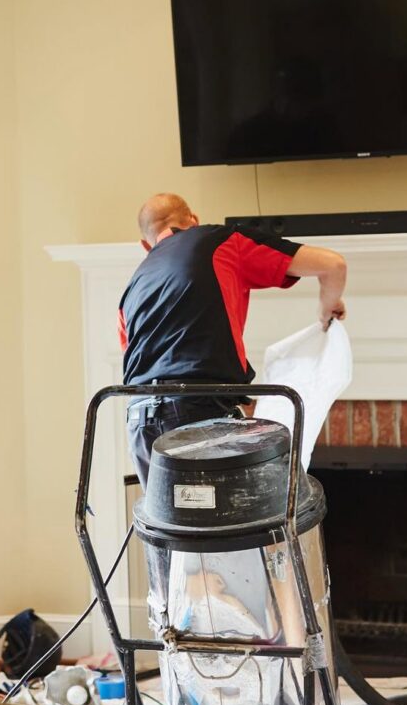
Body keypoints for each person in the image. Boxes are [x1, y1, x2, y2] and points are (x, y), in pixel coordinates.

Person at [118, 192, 347, 486]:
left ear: (145, 245)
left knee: (176, 530)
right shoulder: (220, 240)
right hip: (196, 417)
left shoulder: (131, 289)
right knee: (239, 520)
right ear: (194, 220)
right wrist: (327, 307)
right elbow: (333, 265)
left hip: (140, 424)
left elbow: (156, 367)